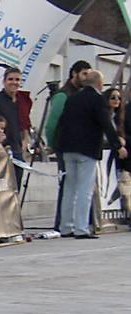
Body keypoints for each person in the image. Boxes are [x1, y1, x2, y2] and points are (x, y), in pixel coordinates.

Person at [58, 71, 126, 239]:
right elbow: (106, 124)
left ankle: (66, 226)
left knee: (69, 188)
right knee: (84, 189)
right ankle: (81, 228)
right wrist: (117, 145)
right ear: (99, 84)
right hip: (87, 149)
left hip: (68, 148)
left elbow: (62, 121)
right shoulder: (98, 100)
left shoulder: (72, 98)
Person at [47, 61, 92, 232]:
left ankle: (72, 222)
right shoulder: (63, 95)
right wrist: (52, 144)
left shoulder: (81, 94)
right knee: (68, 184)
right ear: (74, 73)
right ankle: (63, 222)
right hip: (65, 146)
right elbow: (52, 123)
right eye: (84, 74)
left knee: (75, 185)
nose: (87, 78)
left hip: (78, 145)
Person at [0, 67, 29, 163]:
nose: (14, 82)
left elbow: (25, 123)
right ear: (4, 81)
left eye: (17, 80)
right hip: (1, 148)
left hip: (18, 149)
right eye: (10, 79)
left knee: (18, 177)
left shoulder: (23, 100)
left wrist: (25, 140)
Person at [109, 85, 131, 211]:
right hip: (125, 156)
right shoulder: (125, 111)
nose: (116, 100)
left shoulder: (123, 112)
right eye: (113, 97)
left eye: (118, 97)